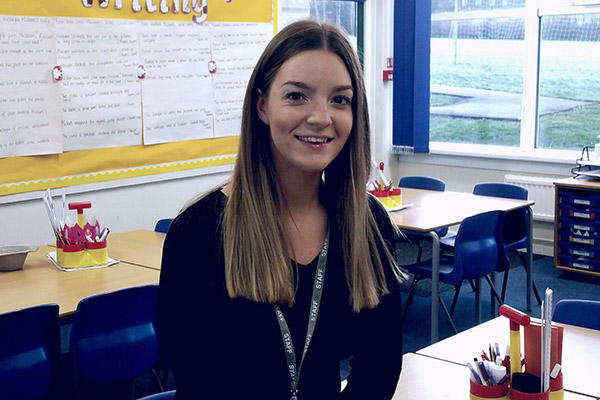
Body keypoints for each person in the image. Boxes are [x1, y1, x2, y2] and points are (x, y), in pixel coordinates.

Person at [158, 19, 404, 400]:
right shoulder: (200, 232)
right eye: (297, 96)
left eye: (340, 99)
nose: (322, 117)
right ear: (262, 106)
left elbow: (380, 364)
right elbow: (198, 380)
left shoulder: (367, 223)